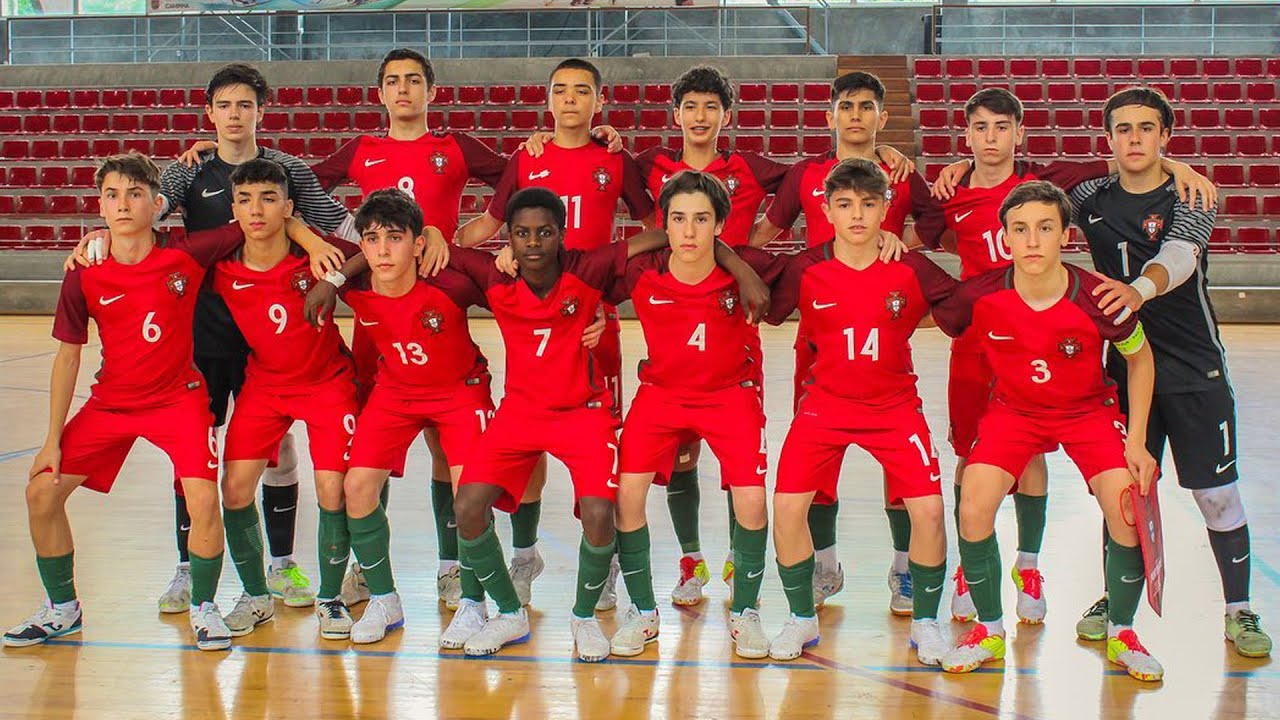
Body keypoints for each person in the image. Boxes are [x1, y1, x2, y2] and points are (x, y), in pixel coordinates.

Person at [926, 87, 1213, 625]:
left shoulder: (1047, 180)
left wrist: (1176, 166)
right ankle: (972, 570)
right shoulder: (950, 191)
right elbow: (933, 237)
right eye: (980, 128)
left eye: (1002, 127)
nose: (991, 138)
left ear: (1020, 132)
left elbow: (1127, 159)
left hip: (1049, 342)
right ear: (966, 135)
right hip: (984, 338)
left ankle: (1029, 565)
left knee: (1032, 455)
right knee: (975, 457)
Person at [443, 187, 765, 662]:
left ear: (562, 234)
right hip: (519, 413)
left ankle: (584, 617)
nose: (533, 243)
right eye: (522, 234)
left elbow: (665, 237)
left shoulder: (587, 269)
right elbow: (427, 245)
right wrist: (425, 237)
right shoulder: (494, 274)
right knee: (468, 505)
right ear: (508, 237)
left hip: (583, 413)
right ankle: (507, 612)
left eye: (544, 232)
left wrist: (735, 262)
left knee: (600, 513)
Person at [3, 153, 253, 651]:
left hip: (178, 400)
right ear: (100, 206)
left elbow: (253, 221)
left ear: (157, 205)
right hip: (111, 403)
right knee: (41, 493)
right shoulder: (85, 271)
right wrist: (51, 440)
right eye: (112, 195)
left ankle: (204, 607)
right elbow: (67, 357)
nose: (123, 204)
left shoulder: (185, 253)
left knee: (204, 498)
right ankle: (63, 609)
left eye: (135, 194)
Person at [931, 180, 1162, 682]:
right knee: (974, 500)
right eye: (1020, 229)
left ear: (1065, 235)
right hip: (1013, 412)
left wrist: (1137, 441)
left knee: (1126, 505)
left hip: (1087, 412)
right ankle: (989, 630)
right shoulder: (979, 295)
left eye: (1044, 228)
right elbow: (929, 312)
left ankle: (1123, 632)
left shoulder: (1098, 296)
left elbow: (1141, 359)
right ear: (1005, 238)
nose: (1032, 240)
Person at [1071, 86, 1271, 657]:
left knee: (1216, 495)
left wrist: (1136, 290)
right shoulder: (1088, 197)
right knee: (1123, 494)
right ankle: (1116, 598)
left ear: (1165, 136)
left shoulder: (1192, 194)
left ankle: (1238, 610)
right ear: (1108, 138)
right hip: (1123, 370)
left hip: (1193, 370)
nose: (1134, 139)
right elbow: (1021, 185)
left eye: (1146, 128)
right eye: (1123, 129)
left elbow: (1178, 258)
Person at [154, 62, 356, 613]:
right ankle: (186, 567)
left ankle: (282, 564)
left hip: (273, 337)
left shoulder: (288, 169)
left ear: (262, 111)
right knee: (196, 447)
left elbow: (342, 227)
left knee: (278, 448)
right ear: (209, 113)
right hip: (207, 331)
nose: (235, 115)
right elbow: (147, 213)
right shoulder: (187, 171)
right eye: (224, 105)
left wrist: (413, 234)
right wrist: (100, 235)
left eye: (245, 105)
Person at [454, 58, 656, 610]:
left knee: (599, 451)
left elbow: (653, 227)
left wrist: (613, 300)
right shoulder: (528, 156)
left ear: (599, 101)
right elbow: (490, 223)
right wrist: (438, 242)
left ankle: (605, 564)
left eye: (582, 91)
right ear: (547, 100)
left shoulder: (614, 157)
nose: (570, 99)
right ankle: (525, 556)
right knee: (530, 434)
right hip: (538, 311)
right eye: (561, 90)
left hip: (593, 319)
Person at [750, 72, 941, 612]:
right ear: (830, 114)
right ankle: (825, 566)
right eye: (846, 106)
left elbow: (935, 224)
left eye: (866, 106)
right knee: (816, 458)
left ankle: (905, 568)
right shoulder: (805, 174)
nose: (856, 115)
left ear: (882, 116)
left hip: (884, 326)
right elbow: (766, 232)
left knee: (899, 460)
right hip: (820, 332)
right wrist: (731, 263)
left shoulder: (901, 173)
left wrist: (901, 244)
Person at [755, 159, 955, 665]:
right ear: (826, 211)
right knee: (787, 507)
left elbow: (963, 307)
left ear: (886, 209)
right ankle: (801, 617)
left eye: (869, 204)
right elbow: (762, 302)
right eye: (845, 205)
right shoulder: (805, 267)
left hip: (893, 407)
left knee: (930, 511)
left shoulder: (910, 268)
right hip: (825, 406)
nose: (858, 215)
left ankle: (927, 623)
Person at [302, 188, 495, 644]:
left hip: (459, 389)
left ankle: (473, 602)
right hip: (396, 391)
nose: (383, 250)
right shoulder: (358, 283)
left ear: (417, 243)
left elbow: (512, 295)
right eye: (372, 240)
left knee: (469, 495)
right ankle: (384, 599)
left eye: (395, 238)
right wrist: (332, 280)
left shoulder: (450, 281)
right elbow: (304, 233)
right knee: (356, 486)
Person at [606, 170, 773, 658]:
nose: (689, 231)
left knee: (752, 500)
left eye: (702, 219)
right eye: (678, 219)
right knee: (626, 495)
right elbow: (582, 271)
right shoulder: (642, 273)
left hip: (729, 395)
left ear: (719, 225)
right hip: (662, 395)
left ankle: (746, 612)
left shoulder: (747, 272)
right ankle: (643, 611)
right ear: (664, 224)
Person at [203, 159, 366, 641]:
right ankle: (256, 595)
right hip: (265, 386)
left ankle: (331, 597)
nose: (257, 210)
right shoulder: (222, 267)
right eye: (246, 200)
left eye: (269, 199)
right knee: (234, 489)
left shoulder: (315, 257)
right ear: (234, 209)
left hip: (327, 382)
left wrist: (330, 277)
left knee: (333, 490)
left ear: (288, 207)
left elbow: (368, 251)